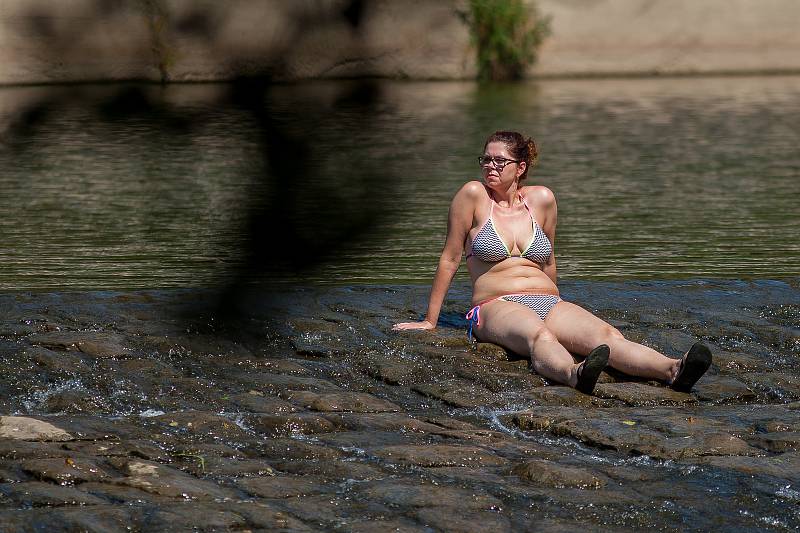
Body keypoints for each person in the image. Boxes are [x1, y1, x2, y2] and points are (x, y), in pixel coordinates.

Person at [393, 131, 712, 395]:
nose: (490, 166)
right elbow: (450, 258)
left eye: (499, 161)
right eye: (486, 159)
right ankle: (574, 374)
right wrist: (430, 321)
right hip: (495, 304)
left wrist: (559, 306)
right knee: (539, 337)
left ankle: (673, 369)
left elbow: (548, 260)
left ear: (520, 168)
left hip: (547, 299)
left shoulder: (542, 199)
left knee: (607, 335)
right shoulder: (473, 195)